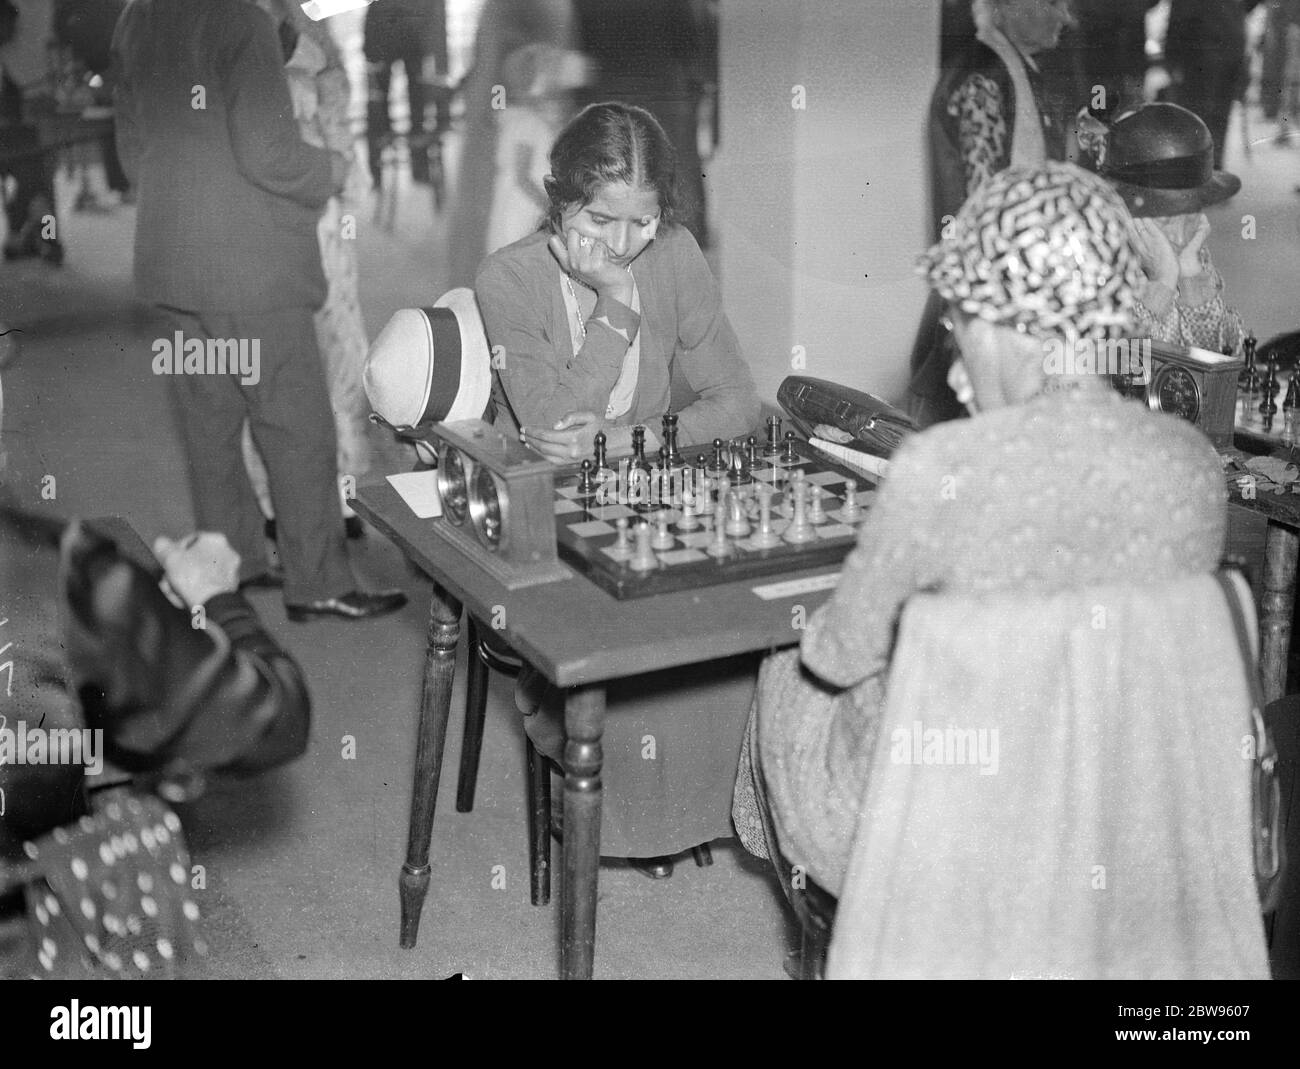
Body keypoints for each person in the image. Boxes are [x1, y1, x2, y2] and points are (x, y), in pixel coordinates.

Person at [734, 161, 1230, 903]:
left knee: (786, 659)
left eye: (961, 317)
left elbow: (838, 658)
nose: (953, 344)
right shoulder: (1192, 462)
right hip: (1119, 807)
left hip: (945, 823)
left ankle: (834, 910)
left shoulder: (941, 466)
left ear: (1014, 326)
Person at [476, 102, 760, 875]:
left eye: (644, 221)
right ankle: (633, 811)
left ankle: (691, 808)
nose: (625, 243)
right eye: (602, 218)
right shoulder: (507, 277)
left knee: (732, 608)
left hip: (643, 480)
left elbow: (738, 402)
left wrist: (630, 439)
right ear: (557, 197)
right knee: (639, 618)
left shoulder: (675, 254)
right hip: (545, 510)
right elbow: (554, 427)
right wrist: (618, 305)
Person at [110, 0, 405, 621]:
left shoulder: (134, 18)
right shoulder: (238, 19)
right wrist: (333, 166)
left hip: (171, 265)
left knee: (210, 427)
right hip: (250, 272)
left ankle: (235, 564)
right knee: (296, 425)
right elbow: (270, 155)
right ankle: (318, 580)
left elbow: (133, 155)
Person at [908, 0, 1077, 428]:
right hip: (989, 294)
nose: (1065, 17)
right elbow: (981, 204)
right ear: (1008, 8)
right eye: (1052, 3)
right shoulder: (983, 76)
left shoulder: (1011, 70)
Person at [242, 0, 374, 543]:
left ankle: (342, 491)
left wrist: (345, 173)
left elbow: (339, 118)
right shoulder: (227, 27)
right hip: (263, 214)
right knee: (273, 356)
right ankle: (275, 498)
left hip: (324, 215)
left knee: (342, 350)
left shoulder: (307, 24)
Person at [1095, 101, 1245, 353]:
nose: (1178, 237)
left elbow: (1221, 361)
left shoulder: (1189, 247)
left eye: (1190, 215)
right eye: (1165, 219)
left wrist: (1191, 278)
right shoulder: (1099, 266)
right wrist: (1161, 283)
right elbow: (1132, 373)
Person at [447, 0, 576, 287]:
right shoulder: (516, 14)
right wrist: (501, 109)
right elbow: (501, 74)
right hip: (507, 127)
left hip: (511, 117)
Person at [484, 41, 588, 256]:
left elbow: (497, 103)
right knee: (520, 253)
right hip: (523, 203)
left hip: (517, 199)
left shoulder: (515, 115)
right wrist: (550, 206)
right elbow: (522, 177)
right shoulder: (528, 123)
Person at [0, 0, 64, 263]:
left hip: (22, 130)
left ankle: (37, 236)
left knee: (38, 179)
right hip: (12, 134)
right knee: (34, 180)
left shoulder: (15, 58)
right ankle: (35, 236)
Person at [1163, 0, 1262, 169]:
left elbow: (1181, 11)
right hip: (1231, 38)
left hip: (1198, 41)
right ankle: (1212, 168)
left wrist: (1171, 54)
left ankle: (1197, 171)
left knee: (1196, 112)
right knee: (1219, 112)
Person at [363, 0, 441, 187]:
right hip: (392, 26)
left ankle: (409, 167)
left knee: (410, 99)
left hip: (398, 26)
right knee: (382, 101)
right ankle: (381, 172)